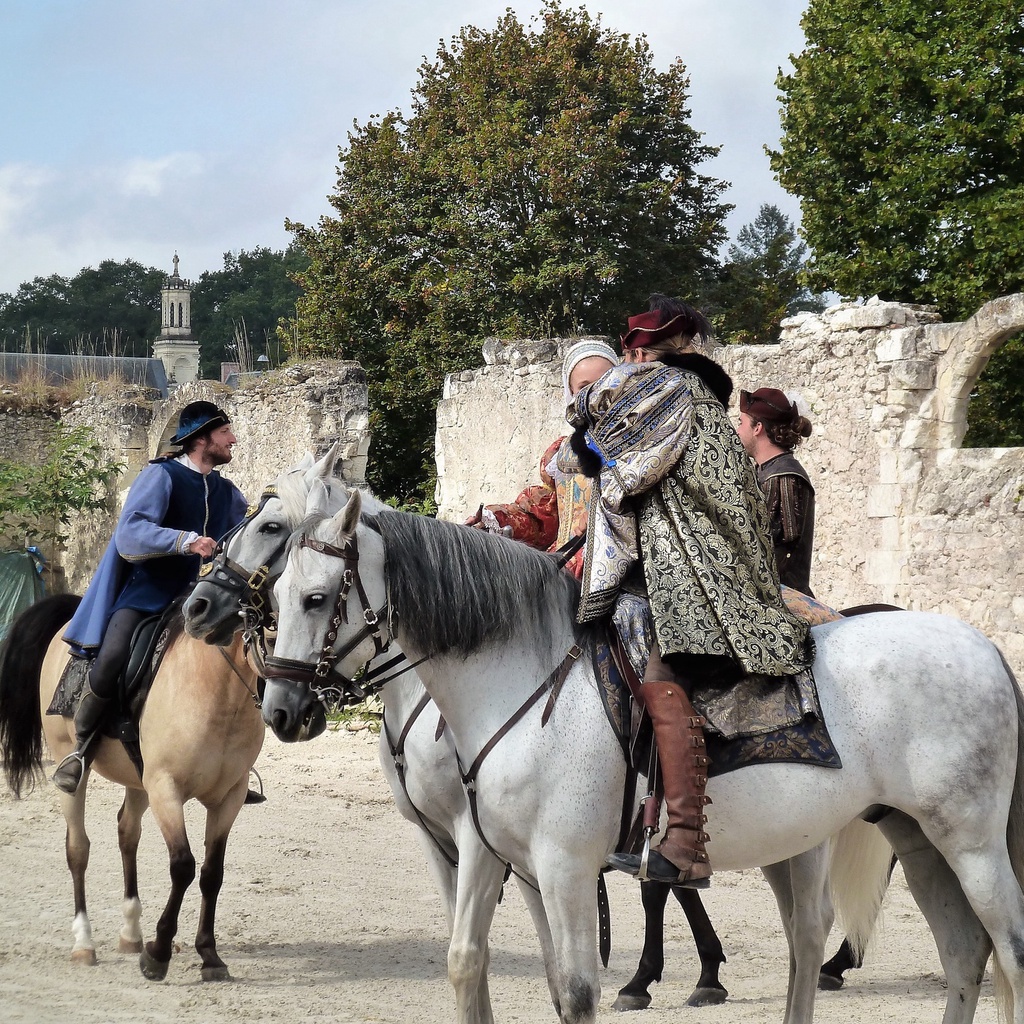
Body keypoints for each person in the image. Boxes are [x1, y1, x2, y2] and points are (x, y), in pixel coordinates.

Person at [564, 294, 814, 888]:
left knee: (663, 671)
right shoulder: (694, 395)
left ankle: (684, 841)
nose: (630, 365)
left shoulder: (669, 389)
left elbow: (595, 442)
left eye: (635, 354)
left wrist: (589, 424)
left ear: (645, 353)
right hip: (687, 556)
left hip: (699, 565)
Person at [53, 401, 248, 794]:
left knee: (251, 654)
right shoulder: (162, 475)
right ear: (200, 439)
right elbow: (131, 533)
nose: (233, 439)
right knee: (111, 658)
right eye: (225, 431)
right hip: (150, 594)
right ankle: (81, 748)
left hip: (207, 599)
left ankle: (233, 762)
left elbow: (245, 537)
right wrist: (186, 541)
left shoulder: (228, 492)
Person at [465, 340, 619, 578]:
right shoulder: (562, 452)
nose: (596, 393)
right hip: (567, 568)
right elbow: (542, 516)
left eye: (606, 382)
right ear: (571, 393)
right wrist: (494, 520)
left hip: (622, 568)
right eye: (584, 386)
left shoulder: (647, 443)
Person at [736, 387, 816, 596]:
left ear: (757, 428)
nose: (737, 431)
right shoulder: (765, 471)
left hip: (781, 598)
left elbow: (766, 549)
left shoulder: (783, 477)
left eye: (741, 423)